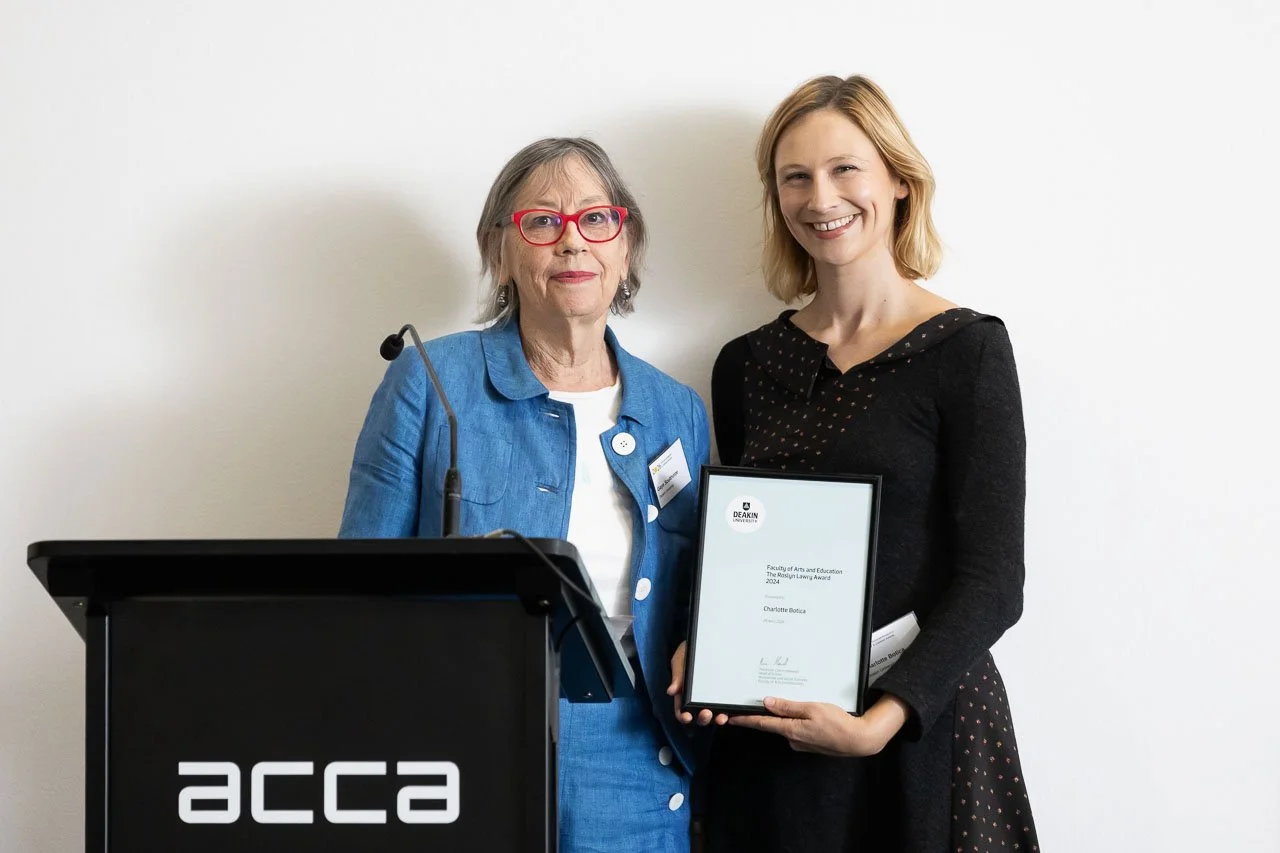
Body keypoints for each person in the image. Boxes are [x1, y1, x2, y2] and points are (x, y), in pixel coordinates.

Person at [669, 74, 1040, 851]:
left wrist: (882, 721)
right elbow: (741, 545)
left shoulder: (966, 350)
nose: (820, 196)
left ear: (899, 182)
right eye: (794, 177)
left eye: (846, 169)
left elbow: (993, 580)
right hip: (774, 735)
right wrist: (703, 637)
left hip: (918, 733)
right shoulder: (743, 364)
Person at [338, 137, 709, 852]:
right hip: (456, 741)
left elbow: (696, 590)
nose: (573, 242)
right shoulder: (428, 381)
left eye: (596, 219)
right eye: (542, 221)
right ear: (499, 250)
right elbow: (357, 583)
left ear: (624, 245)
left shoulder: (677, 410)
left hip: (630, 757)